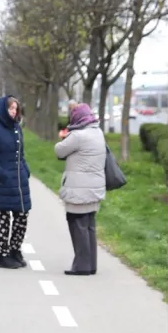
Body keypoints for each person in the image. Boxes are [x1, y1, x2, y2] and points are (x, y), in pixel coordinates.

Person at [0, 94, 32, 269]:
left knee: (22, 216)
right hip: (0, 183)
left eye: (16, 109)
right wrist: (2, 175)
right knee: (2, 220)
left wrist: (25, 171)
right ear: (4, 109)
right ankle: (2, 255)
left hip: (19, 182)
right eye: (11, 109)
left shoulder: (17, 128)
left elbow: (21, 154)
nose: (14, 112)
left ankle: (14, 250)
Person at [54, 102, 106, 276]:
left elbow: (59, 151)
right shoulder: (98, 132)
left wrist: (64, 135)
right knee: (89, 226)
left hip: (79, 190)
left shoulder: (77, 136)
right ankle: (91, 264)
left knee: (78, 226)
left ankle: (82, 266)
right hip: (94, 187)